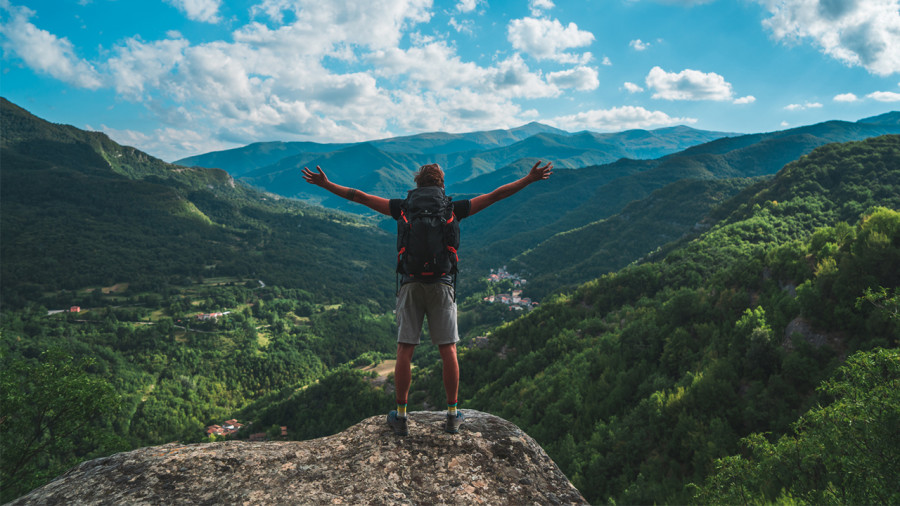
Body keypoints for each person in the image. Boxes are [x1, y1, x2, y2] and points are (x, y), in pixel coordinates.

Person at [302, 160, 553, 435]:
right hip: (442, 285)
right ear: (441, 185)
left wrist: (326, 185)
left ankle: (400, 415)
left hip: (410, 284)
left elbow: (359, 196)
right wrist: (529, 179)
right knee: (448, 350)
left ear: (417, 184)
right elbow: (496, 194)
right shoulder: (452, 209)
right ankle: (453, 413)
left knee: (404, 350)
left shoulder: (402, 208)